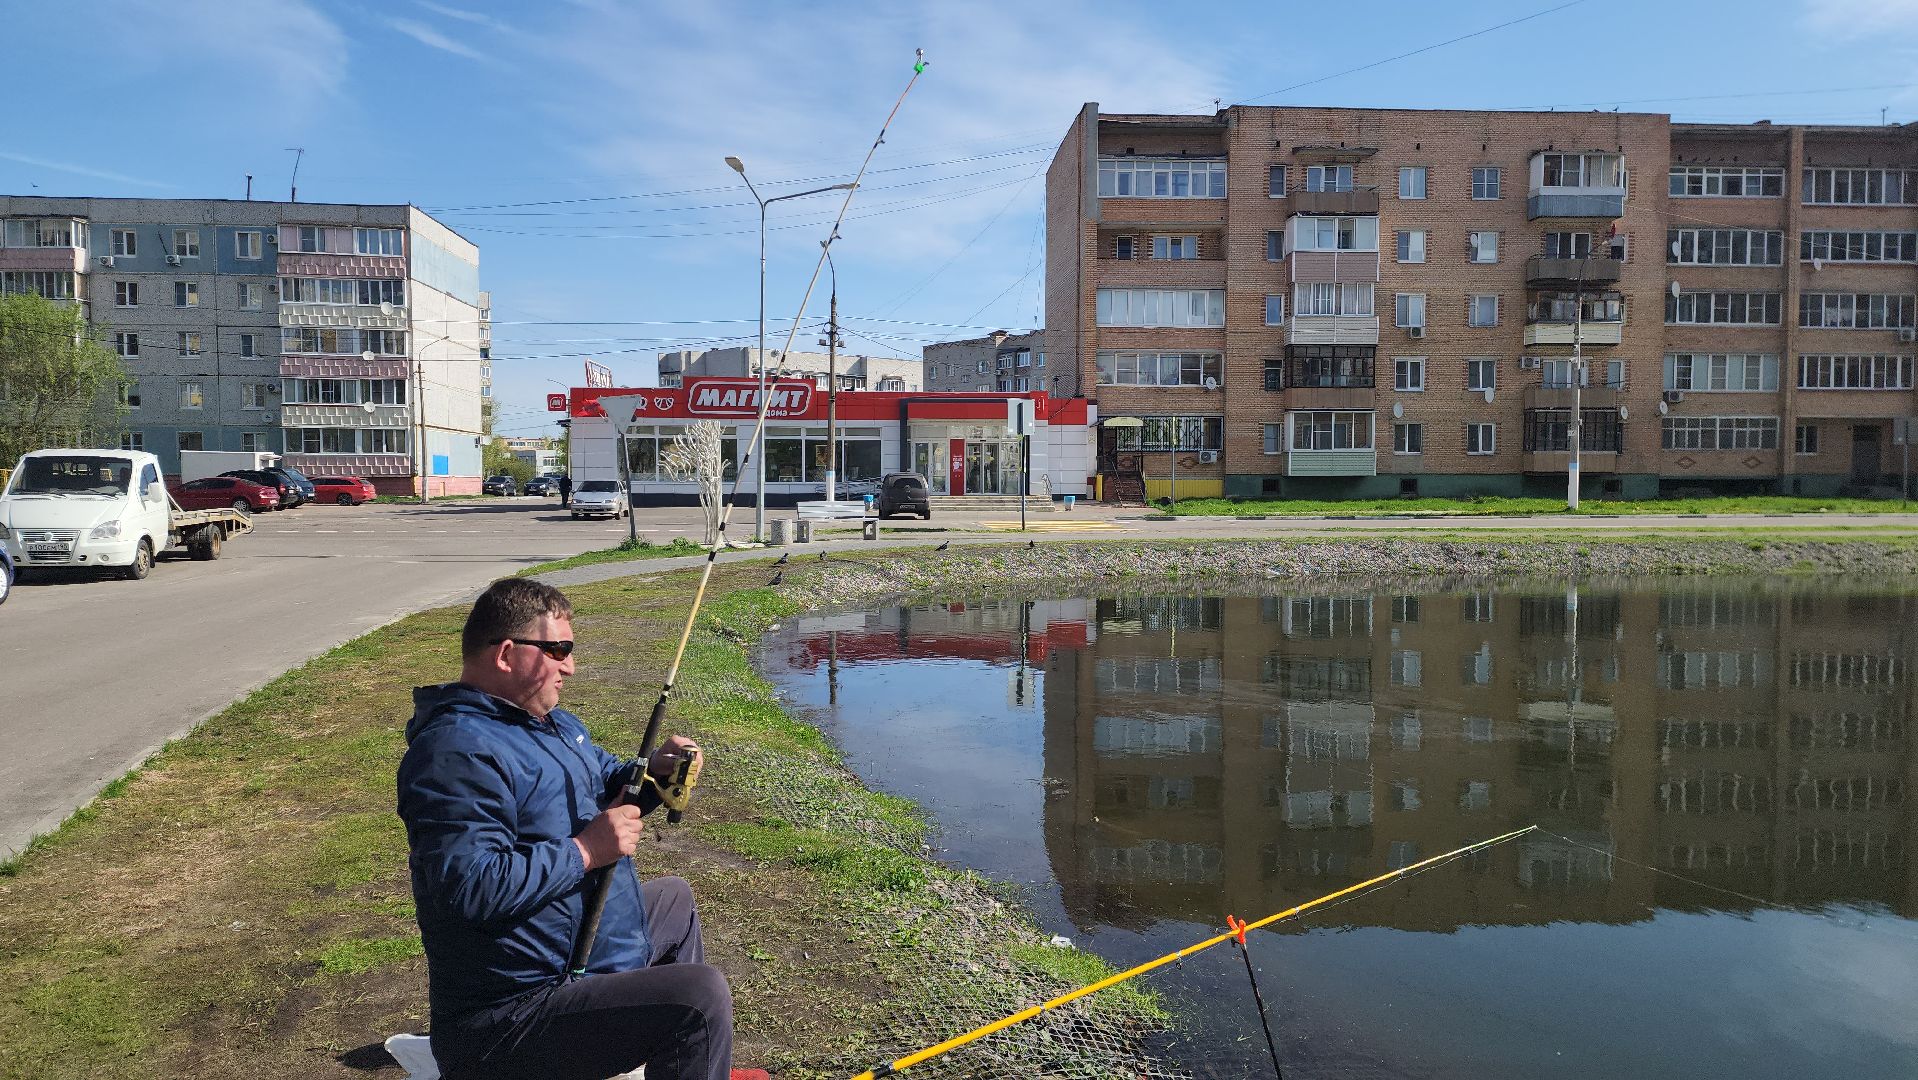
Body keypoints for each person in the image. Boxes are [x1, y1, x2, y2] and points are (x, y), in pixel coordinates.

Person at [397, 578, 766, 1080]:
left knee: (674, 901)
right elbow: (469, 888)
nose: (569, 666)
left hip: (569, 951)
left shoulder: (551, 725)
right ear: (506, 654)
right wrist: (587, 851)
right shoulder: (454, 753)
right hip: (509, 1015)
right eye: (558, 650)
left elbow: (612, 781)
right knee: (698, 998)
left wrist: (658, 772)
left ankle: (689, 1063)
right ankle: (690, 1044)